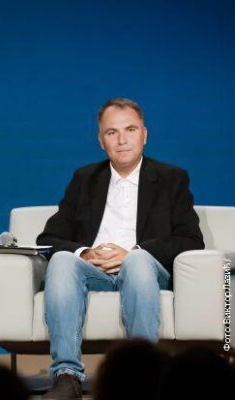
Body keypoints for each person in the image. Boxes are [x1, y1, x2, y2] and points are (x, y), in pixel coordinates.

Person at [37, 98, 204, 399]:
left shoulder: (171, 178)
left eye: (130, 129)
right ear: (101, 141)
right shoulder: (85, 178)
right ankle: (67, 377)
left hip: (146, 272)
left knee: (138, 261)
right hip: (95, 272)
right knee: (62, 259)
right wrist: (85, 253)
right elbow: (48, 237)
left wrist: (133, 252)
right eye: (112, 132)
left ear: (144, 134)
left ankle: (143, 377)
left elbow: (190, 239)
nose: (122, 140)